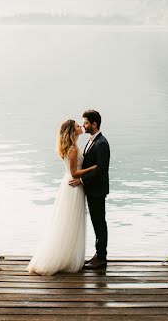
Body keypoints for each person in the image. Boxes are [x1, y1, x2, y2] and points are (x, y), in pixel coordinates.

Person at [26, 119, 98, 275]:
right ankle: (64, 258)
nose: (81, 127)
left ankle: (67, 256)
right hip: (73, 186)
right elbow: (74, 173)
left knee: (68, 222)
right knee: (70, 221)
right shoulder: (72, 149)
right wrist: (92, 168)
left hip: (70, 186)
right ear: (72, 132)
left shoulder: (72, 147)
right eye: (78, 126)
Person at [69, 109, 109, 269]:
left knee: (99, 223)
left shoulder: (102, 143)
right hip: (92, 189)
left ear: (94, 124)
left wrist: (81, 181)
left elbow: (101, 169)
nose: (84, 125)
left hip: (97, 190)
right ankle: (97, 255)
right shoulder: (92, 140)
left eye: (85, 123)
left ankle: (101, 257)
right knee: (96, 222)